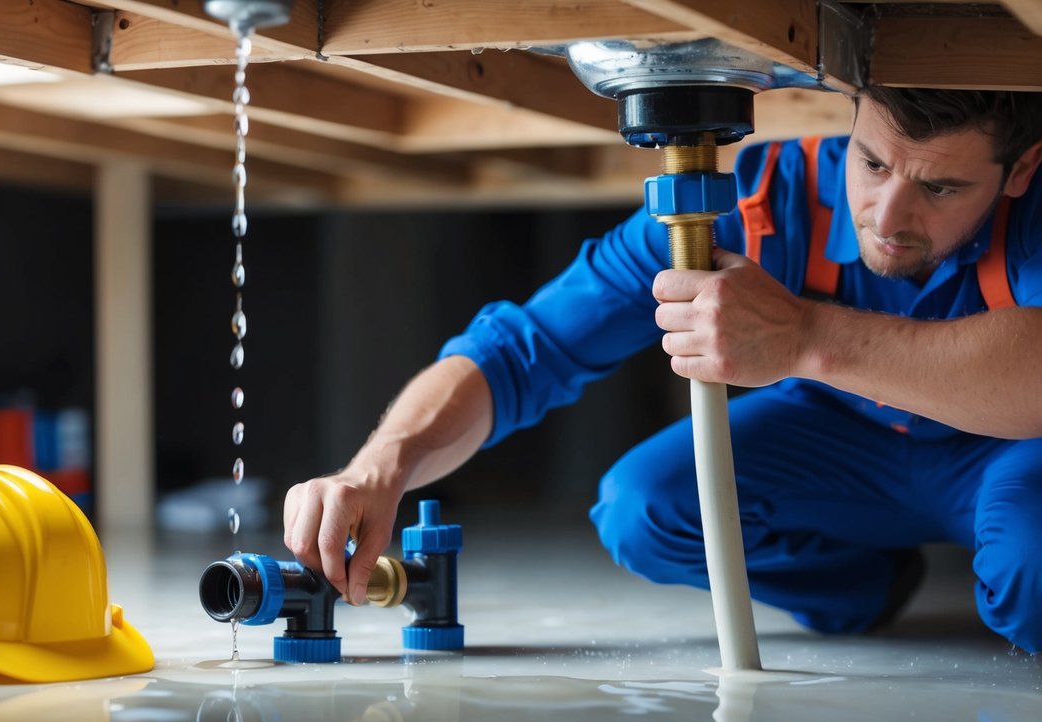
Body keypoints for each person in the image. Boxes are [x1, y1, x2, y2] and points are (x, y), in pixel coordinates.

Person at [282, 86, 1042, 652]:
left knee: (1032, 573)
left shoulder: (1034, 211)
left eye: (939, 187)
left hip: (1010, 448)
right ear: (847, 119)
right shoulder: (753, 206)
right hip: (839, 437)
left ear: (1019, 170)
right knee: (646, 506)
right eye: (871, 162)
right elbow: (523, 348)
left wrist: (806, 335)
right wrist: (381, 466)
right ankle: (862, 588)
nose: (885, 215)